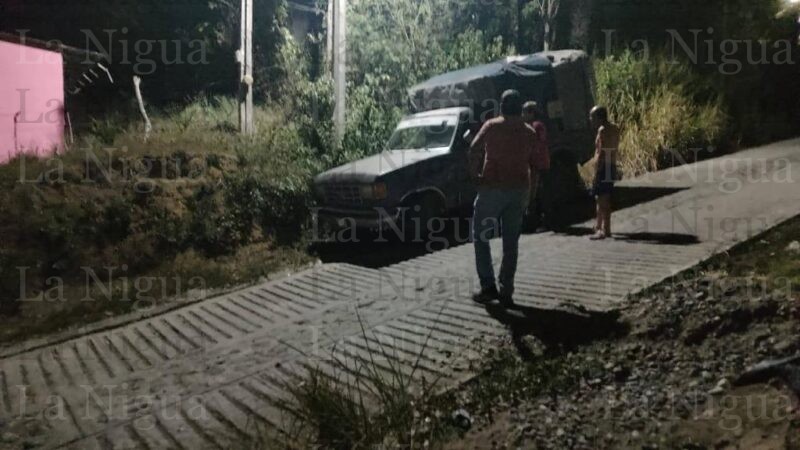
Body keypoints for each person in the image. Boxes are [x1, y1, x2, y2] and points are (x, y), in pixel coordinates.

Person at [469, 90, 543, 306]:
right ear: (520, 108)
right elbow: (535, 166)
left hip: (492, 189)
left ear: (501, 106)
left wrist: (475, 176)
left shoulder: (492, 126)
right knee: (511, 243)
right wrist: (531, 194)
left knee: (481, 237)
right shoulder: (529, 132)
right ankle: (506, 290)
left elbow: (473, 149)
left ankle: (488, 287)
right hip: (519, 190)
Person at [589, 106, 620, 240]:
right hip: (611, 165)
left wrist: (596, 169)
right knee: (602, 197)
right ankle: (600, 226)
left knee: (602, 199)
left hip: (603, 167)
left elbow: (601, 152)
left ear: (599, 117)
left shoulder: (602, 130)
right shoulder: (615, 128)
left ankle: (605, 230)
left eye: (592, 117)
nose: (590, 120)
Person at [522, 101, 551, 230]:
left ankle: (544, 221)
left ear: (531, 113)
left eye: (524, 112)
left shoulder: (537, 126)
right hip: (535, 164)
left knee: (539, 193)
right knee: (536, 193)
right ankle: (539, 220)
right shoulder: (530, 126)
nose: (522, 115)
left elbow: (538, 143)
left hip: (539, 164)